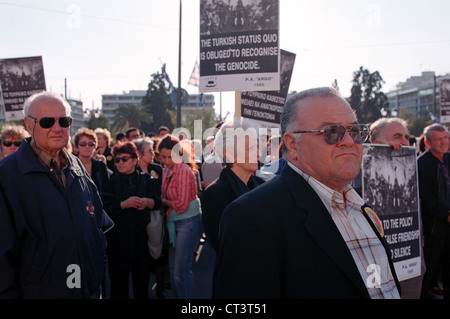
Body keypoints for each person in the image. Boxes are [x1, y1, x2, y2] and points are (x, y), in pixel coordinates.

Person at [214, 87, 401, 299]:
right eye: (331, 132)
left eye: (355, 131)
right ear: (292, 144)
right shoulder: (252, 217)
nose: (349, 141)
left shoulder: (362, 207)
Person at [0, 91, 113, 298]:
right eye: (46, 121)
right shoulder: (7, 175)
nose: (57, 128)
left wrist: (96, 273)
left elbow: (98, 225)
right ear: (28, 124)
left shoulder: (76, 166)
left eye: (63, 120)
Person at [369, 117, 426, 299]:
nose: (404, 142)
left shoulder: (410, 167)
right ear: (378, 143)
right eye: (397, 136)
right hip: (378, 264)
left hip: (412, 258)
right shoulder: (359, 173)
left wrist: (419, 243)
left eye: (406, 137)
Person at [100, 141, 162, 299]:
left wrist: (147, 202)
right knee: (118, 287)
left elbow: (159, 202)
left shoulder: (146, 180)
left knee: (142, 285)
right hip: (118, 243)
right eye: (117, 159)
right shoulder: (111, 183)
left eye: (124, 159)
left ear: (135, 160)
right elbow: (102, 212)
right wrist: (123, 205)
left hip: (141, 241)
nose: (120, 163)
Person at [202, 117, 265, 252]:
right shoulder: (214, 195)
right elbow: (225, 247)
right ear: (230, 154)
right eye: (251, 148)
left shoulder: (262, 186)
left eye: (257, 147)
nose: (259, 154)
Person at [159, 135, 203, 299]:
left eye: (169, 156)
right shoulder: (165, 170)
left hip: (188, 222)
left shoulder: (184, 170)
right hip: (173, 221)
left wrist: (161, 202)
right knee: (173, 270)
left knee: (180, 272)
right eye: (162, 157)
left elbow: (182, 204)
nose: (165, 161)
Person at [418, 123, 450, 299]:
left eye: (446, 138)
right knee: (429, 269)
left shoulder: (449, 159)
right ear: (428, 143)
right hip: (434, 227)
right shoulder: (422, 163)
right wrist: (447, 214)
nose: (444, 142)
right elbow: (427, 198)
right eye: (440, 139)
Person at [133, 137, 167, 298]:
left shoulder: (157, 169)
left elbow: (162, 192)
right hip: (138, 220)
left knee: (159, 255)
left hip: (156, 217)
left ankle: (160, 289)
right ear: (139, 154)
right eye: (149, 151)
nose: (153, 153)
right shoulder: (132, 171)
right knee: (142, 260)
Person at [73, 127, 109, 193]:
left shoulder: (100, 166)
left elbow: (106, 190)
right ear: (76, 147)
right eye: (83, 144)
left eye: (91, 144)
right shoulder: (71, 166)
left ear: (95, 146)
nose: (87, 147)